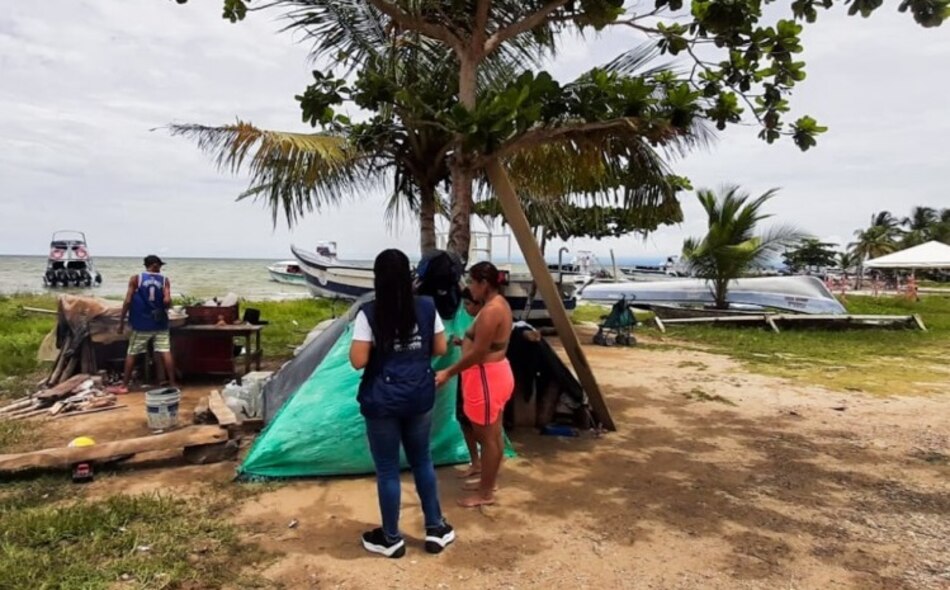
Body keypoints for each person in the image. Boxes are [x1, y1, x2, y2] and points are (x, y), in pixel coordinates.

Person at [349, 249, 455, 559]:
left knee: (387, 469)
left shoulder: (369, 313)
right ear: (409, 275)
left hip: (382, 399)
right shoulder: (426, 306)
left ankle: (391, 538)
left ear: (377, 279)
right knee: (422, 460)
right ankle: (435, 528)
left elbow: (358, 360)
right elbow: (440, 347)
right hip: (419, 395)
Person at [436, 261, 514, 508]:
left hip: (486, 377)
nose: (469, 287)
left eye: (472, 282)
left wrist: (448, 372)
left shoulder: (491, 311)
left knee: (487, 437)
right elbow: (486, 344)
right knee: (493, 435)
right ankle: (487, 483)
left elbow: (479, 353)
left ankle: (485, 493)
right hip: (491, 375)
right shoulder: (498, 305)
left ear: (484, 283)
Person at [111, 255, 175, 394]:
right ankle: (173, 384)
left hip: (141, 323)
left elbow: (128, 301)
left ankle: (124, 386)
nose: (160, 268)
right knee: (165, 351)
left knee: (132, 353)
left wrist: (121, 322)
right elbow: (167, 301)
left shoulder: (136, 278)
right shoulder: (165, 280)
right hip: (160, 323)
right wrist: (165, 305)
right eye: (160, 265)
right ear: (155, 265)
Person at [451, 288, 484, 480]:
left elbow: (481, 352)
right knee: (465, 420)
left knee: (481, 426)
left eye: (468, 304)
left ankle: (485, 472)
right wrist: (462, 343)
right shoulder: (475, 321)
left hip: (478, 377)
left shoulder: (486, 321)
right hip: (467, 376)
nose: (465, 308)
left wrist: (449, 372)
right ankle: (476, 462)